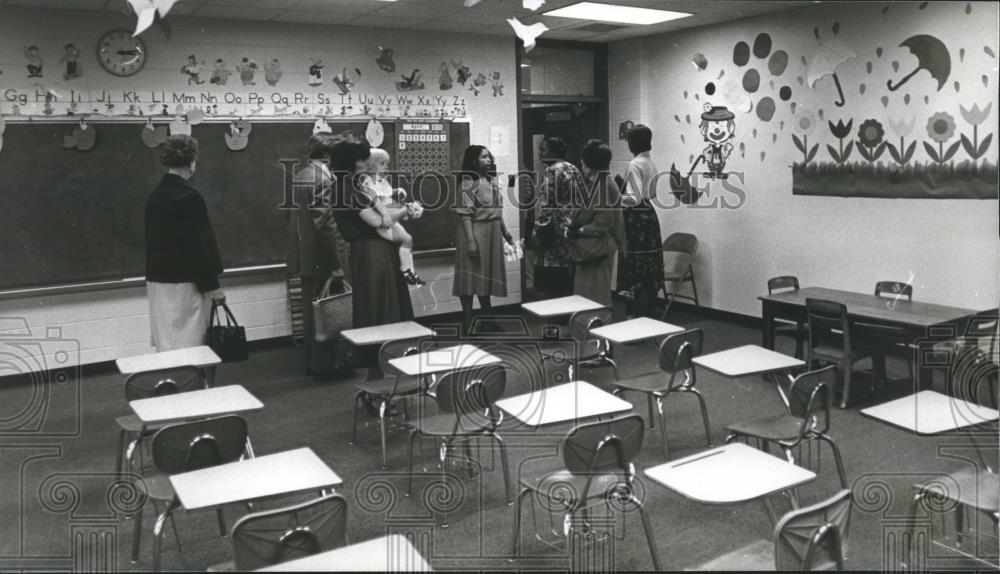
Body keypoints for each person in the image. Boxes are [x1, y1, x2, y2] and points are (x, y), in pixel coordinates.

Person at [329, 132, 416, 341]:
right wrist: (405, 211)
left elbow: (379, 209)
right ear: (350, 161)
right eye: (362, 159)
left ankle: (386, 348)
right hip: (371, 249)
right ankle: (382, 349)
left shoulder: (354, 185)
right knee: (381, 300)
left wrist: (388, 213)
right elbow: (377, 222)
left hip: (374, 248)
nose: (367, 163)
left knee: (382, 298)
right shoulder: (345, 189)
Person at [144, 135, 225, 352]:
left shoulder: (156, 196)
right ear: (191, 163)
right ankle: (193, 384)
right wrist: (214, 287)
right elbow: (198, 246)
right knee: (191, 343)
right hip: (186, 284)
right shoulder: (189, 197)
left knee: (168, 342)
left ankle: (173, 384)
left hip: (159, 283)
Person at [286, 133, 352, 379]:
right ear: (327, 155)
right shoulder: (323, 180)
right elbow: (326, 225)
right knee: (328, 311)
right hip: (322, 257)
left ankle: (315, 363)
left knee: (313, 311)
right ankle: (326, 366)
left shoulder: (301, 175)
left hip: (305, 254)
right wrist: (336, 265)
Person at [454, 145, 513, 329]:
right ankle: (468, 321)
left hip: (492, 232)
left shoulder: (490, 180)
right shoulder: (467, 183)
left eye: (489, 157)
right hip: (474, 232)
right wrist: (471, 242)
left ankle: (488, 318)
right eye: (484, 157)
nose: (489, 160)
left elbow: (497, 210)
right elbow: (465, 214)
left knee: (485, 277)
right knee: (470, 278)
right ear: (474, 160)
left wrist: (505, 232)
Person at [568, 139, 625, 307]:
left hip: (598, 247)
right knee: (590, 295)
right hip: (598, 245)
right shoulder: (604, 183)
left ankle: (591, 330)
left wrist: (577, 230)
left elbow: (602, 222)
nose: (582, 168)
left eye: (583, 165)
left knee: (593, 297)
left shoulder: (602, 185)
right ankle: (588, 330)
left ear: (590, 164)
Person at [617, 125, 665, 318]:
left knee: (636, 269)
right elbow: (651, 194)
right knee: (649, 271)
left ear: (633, 142)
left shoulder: (634, 164)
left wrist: (617, 195)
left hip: (635, 218)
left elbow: (633, 198)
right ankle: (648, 316)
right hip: (649, 216)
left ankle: (636, 317)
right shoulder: (650, 163)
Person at [359, 148, 425, 286]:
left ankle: (409, 270)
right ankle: (406, 270)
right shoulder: (369, 182)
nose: (386, 167)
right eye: (382, 163)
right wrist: (397, 210)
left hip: (391, 217)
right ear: (371, 165)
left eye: (386, 163)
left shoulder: (379, 181)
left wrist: (397, 191)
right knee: (406, 239)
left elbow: (386, 193)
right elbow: (375, 199)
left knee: (407, 240)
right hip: (384, 221)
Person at [532, 136, 582, 298]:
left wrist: (537, 228)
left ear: (554, 152)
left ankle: (554, 311)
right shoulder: (573, 168)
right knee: (567, 268)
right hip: (571, 224)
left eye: (543, 150)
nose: (539, 153)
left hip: (554, 227)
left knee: (552, 272)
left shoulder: (551, 170)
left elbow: (547, 203)